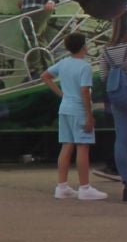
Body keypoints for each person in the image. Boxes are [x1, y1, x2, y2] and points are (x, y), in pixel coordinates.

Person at [44, 31, 106, 201]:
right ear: (84, 47)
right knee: (82, 147)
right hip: (79, 109)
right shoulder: (84, 67)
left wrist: (61, 94)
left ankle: (62, 186)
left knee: (66, 146)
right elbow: (85, 91)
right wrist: (89, 115)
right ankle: (85, 187)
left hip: (65, 108)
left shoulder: (63, 63)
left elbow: (46, 76)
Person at [103, 14, 127, 200]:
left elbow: (103, 76)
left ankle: (126, 182)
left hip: (117, 98)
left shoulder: (108, 49)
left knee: (121, 140)